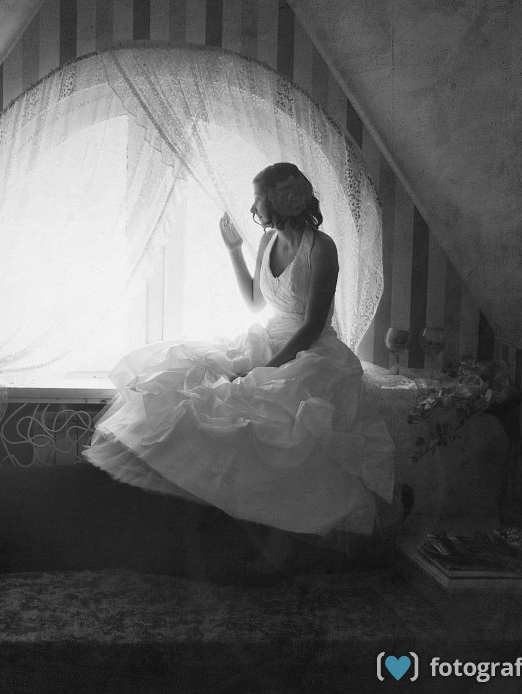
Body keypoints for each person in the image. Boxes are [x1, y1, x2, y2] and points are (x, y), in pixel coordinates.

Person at [84, 163, 396, 538]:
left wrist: (267, 368)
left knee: (263, 419)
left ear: (280, 200)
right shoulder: (267, 242)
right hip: (269, 338)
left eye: (258, 198)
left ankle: (273, 531)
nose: (253, 207)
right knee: (188, 389)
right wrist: (233, 250)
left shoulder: (321, 247)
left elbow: (312, 325)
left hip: (310, 349)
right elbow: (254, 300)